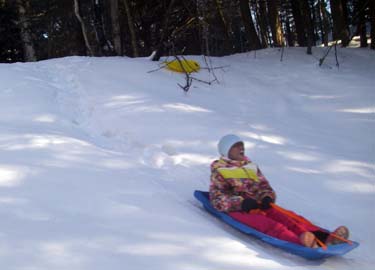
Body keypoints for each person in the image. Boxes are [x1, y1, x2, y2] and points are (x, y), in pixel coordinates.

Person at [209, 134, 349, 248]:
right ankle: (302, 242)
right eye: (236, 146)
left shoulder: (250, 166)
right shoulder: (220, 170)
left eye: (242, 145)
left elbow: (264, 185)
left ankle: (325, 238)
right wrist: (241, 203)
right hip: (239, 210)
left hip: (259, 205)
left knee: (290, 218)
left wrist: (266, 197)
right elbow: (217, 199)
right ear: (226, 151)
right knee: (269, 225)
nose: (241, 148)